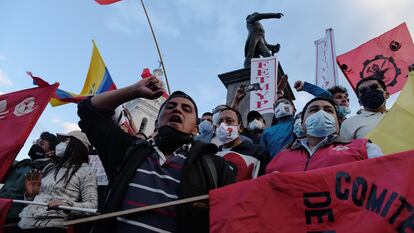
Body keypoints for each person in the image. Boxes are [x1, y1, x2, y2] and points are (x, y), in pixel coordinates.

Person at [77, 76, 235, 233]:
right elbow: (89, 111)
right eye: (170, 106)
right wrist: (135, 90)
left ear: (195, 129)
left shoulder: (215, 167)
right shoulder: (128, 151)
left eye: (186, 109)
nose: (177, 110)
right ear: (157, 122)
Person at [266, 97, 383, 173]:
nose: (321, 113)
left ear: (338, 123)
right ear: (302, 124)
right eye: (313, 110)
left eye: (328, 110)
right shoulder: (280, 157)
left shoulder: (364, 149)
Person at [18, 130, 98, 232]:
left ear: (75, 147)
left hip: (51, 227)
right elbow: (33, 202)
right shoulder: (53, 169)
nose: (60, 145)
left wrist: (66, 205)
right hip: (23, 223)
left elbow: (92, 206)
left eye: (65, 141)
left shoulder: (86, 171)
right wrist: (31, 195)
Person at [0, 132, 59, 224]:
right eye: (37, 142)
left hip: (14, 213)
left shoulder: (50, 168)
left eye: (41, 144)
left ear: (51, 151)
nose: (36, 145)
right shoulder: (23, 162)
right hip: (2, 204)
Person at [215, 107, 269, 180]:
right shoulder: (214, 154)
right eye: (219, 122)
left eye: (229, 121)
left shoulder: (258, 152)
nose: (223, 125)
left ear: (240, 128)